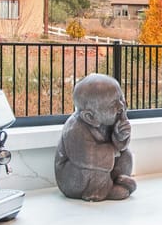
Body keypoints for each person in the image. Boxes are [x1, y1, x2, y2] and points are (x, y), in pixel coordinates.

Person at [54, 73, 136, 201]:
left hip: (103, 167)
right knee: (93, 167)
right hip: (73, 177)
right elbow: (86, 157)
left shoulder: (108, 120)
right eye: (113, 104)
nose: (121, 106)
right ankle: (99, 191)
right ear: (90, 117)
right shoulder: (75, 128)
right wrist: (114, 150)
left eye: (121, 98)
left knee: (126, 155)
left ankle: (117, 179)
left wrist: (121, 137)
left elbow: (120, 148)